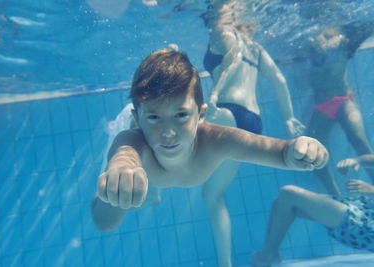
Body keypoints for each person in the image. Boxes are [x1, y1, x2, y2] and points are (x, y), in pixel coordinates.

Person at [90, 47, 328, 257]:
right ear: (139, 119)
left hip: (154, 135)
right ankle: (144, 183)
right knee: (117, 201)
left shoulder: (216, 139)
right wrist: (121, 173)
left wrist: (302, 150)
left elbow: (280, 151)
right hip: (132, 132)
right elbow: (105, 219)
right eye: (154, 118)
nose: (168, 132)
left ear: (201, 115)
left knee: (141, 188)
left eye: (181, 116)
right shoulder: (133, 138)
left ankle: (148, 183)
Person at [200, 1, 305, 266]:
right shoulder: (255, 48)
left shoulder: (220, 31)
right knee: (211, 194)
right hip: (252, 120)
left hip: (227, 112)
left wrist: (213, 93)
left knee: (177, 130)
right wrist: (289, 117)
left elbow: (230, 59)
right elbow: (279, 79)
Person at [252, 154, 374, 267]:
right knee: (283, 203)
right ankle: (269, 254)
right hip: (363, 209)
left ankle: (267, 255)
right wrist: (356, 160)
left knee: (289, 194)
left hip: (367, 226)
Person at [302, 21, 374, 195]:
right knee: (312, 151)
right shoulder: (307, 42)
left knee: (358, 137)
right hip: (321, 106)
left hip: (344, 100)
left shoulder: (344, 41)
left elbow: (367, 27)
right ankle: (336, 198)